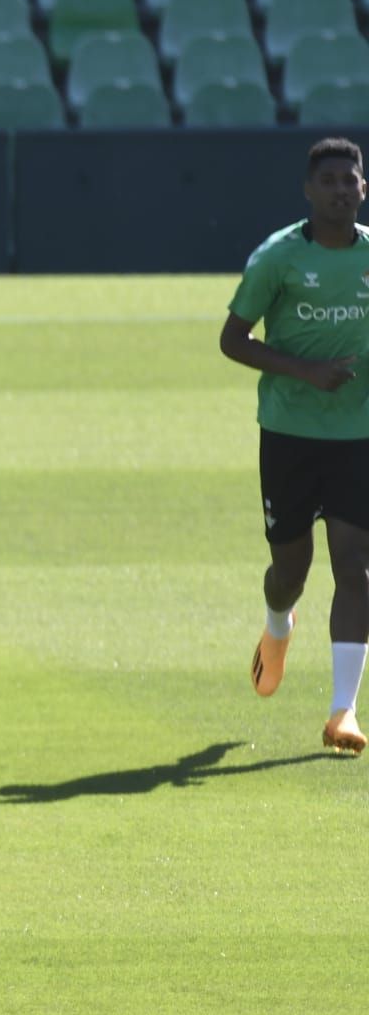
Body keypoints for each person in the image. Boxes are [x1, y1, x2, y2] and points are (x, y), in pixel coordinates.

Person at [222, 137, 369, 757]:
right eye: (329, 179)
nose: (341, 188)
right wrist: (306, 372)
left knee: (355, 568)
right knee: (290, 572)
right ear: (309, 190)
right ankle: (278, 626)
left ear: (363, 189)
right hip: (288, 433)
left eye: (351, 179)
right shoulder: (278, 257)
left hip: (357, 437)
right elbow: (233, 339)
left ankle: (343, 711)